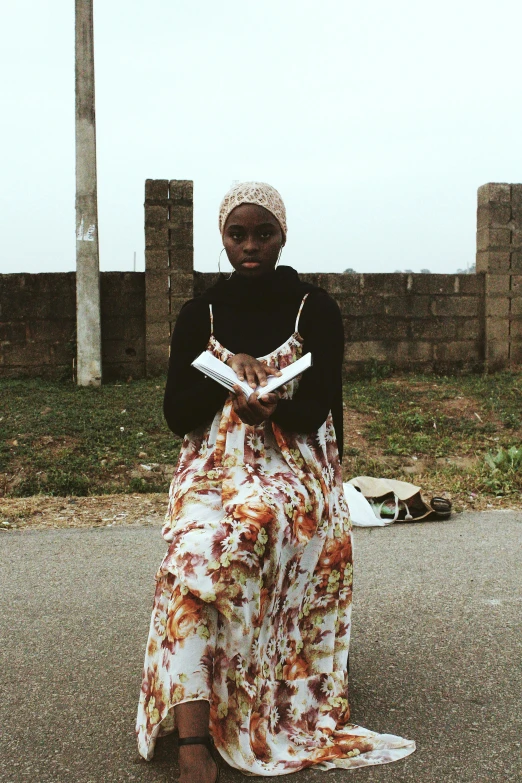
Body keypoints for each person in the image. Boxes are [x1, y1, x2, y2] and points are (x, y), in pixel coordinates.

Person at [136, 182, 414, 779]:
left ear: (283, 235)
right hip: (213, 466)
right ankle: (193, 741)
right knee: (190, 554)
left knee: (252, 528)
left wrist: (272, 408)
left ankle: (257, 694)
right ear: (223, 238)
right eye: (238, 234)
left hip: (293, 463)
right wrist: (224, 376)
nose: (251, 245)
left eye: (263, 233)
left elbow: (320, 408)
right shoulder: (200, 314)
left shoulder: (314, 307)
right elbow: (176, 416)